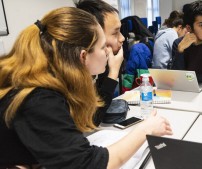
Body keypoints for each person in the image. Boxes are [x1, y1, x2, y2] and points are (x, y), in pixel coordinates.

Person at [0, 7, 172, 168]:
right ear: (83, 56)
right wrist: (145, 130)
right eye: (103, 46)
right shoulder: (40, 97)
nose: (107, 51)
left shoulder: (51, 80)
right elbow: (87, 164)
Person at [76, 0, 125, 126]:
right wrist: (113, 72)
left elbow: (95, 115)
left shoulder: (97, 65)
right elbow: (91, 121)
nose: (122, 38)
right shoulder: (71, 77)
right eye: (115, 33)